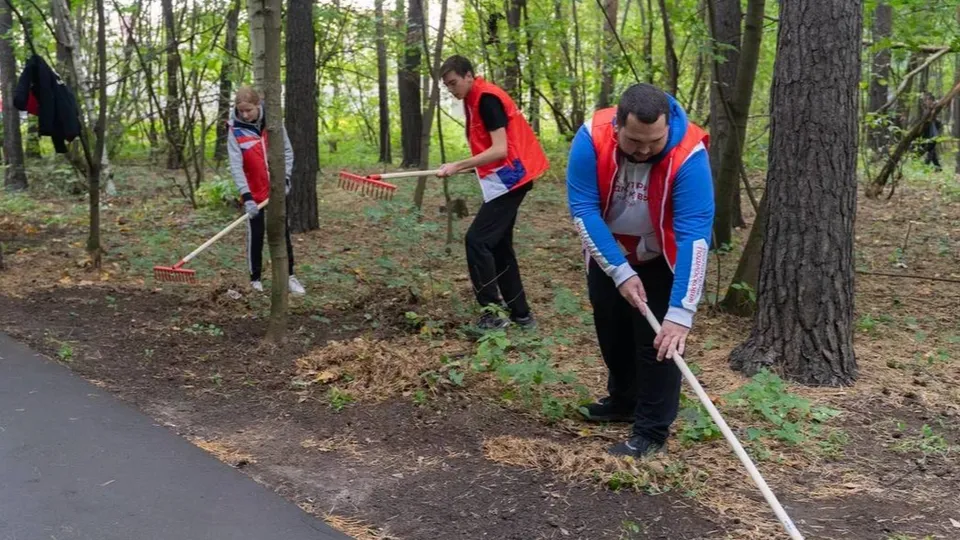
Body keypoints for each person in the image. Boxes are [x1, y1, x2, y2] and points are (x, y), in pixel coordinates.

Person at [566, 83, 714, 457]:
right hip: (610, 249)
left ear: (668, 128)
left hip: (662, 254)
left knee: (659, 343)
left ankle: (651, 430)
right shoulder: (590, 138)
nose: (645, 149)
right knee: (611, 327)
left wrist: (681, 313)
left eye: (654, 141)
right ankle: (623, 400)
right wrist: (619, 270)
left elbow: (694, 235)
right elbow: (583, 208)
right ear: (617, 126)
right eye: (634, 141)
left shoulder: (688, 155)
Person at [437, 55, 549, 330]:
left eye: (454, 83)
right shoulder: (474, 99)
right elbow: (491, 148)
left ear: (468, 75)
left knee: (477, 241)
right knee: (498, 246)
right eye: (447, 86)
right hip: (506, 177)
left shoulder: (487, 99)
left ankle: (492, 315)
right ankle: (521, 315)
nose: (452, 90)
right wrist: (465, 167)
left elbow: (500, 149)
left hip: (512, 178)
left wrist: (459, 164)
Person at [227, 86, 305, 296]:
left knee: (282, 233)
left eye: (249, 110)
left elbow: (287, 152)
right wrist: (246, 196)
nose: (245, 114)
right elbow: (236, 165)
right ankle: (255, 280)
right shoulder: (235, 129)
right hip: (254, 193)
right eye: (241, 110)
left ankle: (289, 277)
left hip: (277, 189)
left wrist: (285, 179)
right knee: (256, 235)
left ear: (258, 106)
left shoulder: (273, 124)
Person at [920, 92, 942, 172]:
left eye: (929, 100)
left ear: (932, 100)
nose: (927, 101)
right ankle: (938, 167)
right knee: (929, 149)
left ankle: (925, 167)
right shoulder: (926, 110)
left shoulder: (935, 108)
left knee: (930, 148)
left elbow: (936, 120)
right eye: (926, 100)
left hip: (933, 132)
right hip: (926, 133)